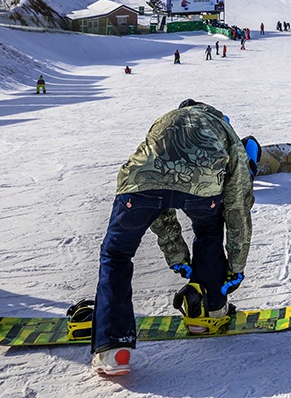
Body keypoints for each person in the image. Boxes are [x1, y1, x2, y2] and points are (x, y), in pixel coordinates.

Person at [91, 100, 254, 375]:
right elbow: (237, 203)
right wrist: (236, 265)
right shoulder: (225, 129)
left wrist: (175, 253)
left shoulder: (165, 119)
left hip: (139, 184)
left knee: (116, 255)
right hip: (203, 187)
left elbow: (157, 196)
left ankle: (113, 349)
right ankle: (207, 311)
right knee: (209, 232)